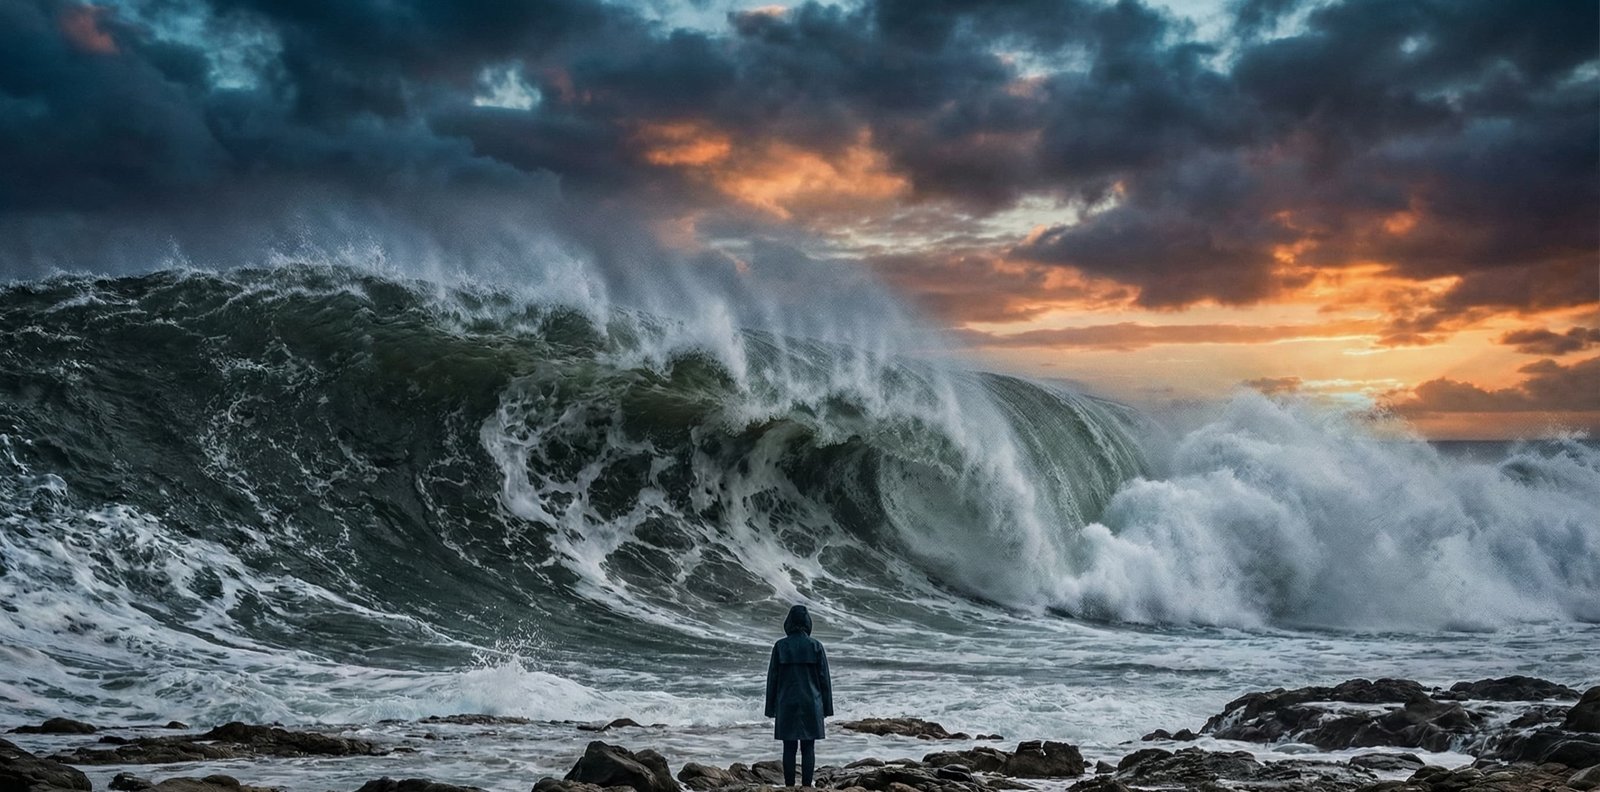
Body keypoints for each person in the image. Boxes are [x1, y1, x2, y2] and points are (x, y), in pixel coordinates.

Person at [764, 604, 833, 787]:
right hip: (812, 703)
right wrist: (826, 708)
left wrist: (771, 708)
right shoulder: (816, 646)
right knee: (808, 747)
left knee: (789, 747)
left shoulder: (780, 646)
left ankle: (789, 787)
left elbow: (773, 680)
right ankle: (806, 787)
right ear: (807, 622)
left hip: (786, 703)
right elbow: (824, 680)